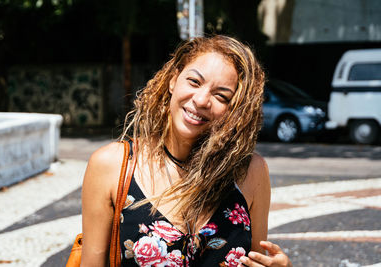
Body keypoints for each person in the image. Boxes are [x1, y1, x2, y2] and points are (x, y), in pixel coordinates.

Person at [81, 35, 292, 267]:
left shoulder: (251, 172)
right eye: (194, 82)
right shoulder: (112, 165)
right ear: (173, 80)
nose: (201, 100)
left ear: (235, 112)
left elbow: (258, 260)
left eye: (221, 96)